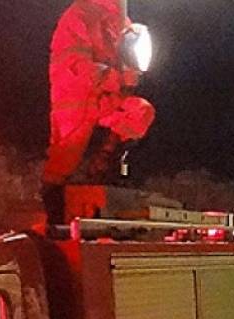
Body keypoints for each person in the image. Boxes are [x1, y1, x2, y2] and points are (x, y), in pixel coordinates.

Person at [42, 0, 156, 209]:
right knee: (65, 153)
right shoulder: (79, 15)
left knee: (139, 112)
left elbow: (131, 65)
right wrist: (118, 79)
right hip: (76, 98)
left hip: (106, 96)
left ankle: (103, 168)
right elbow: (75, 68)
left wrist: (129, 73)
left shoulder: (122, 22)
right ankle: (53, 204)